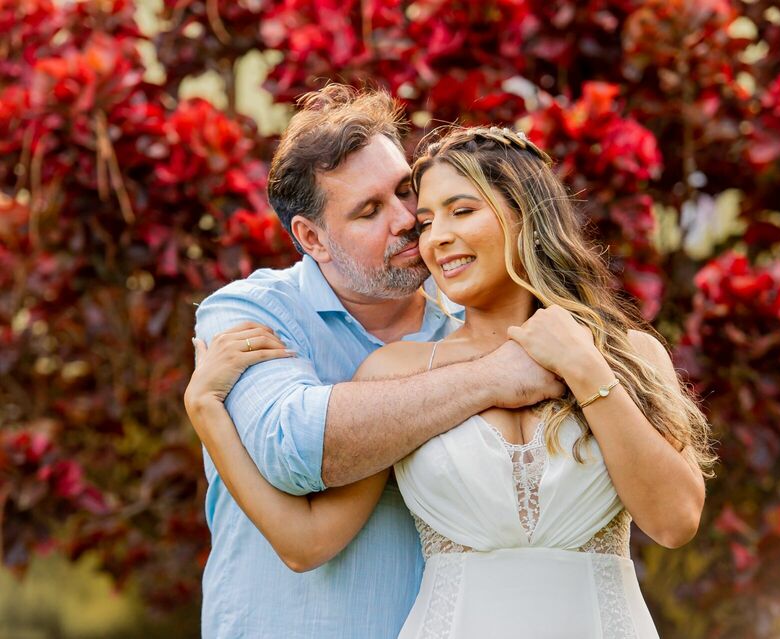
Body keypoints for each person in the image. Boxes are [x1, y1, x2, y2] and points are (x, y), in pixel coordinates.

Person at [188, 123, 717, 636]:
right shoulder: (395, 370)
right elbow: (307, 541)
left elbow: (674, 521)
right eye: (427, 220)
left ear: (526, 213)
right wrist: (207, 413)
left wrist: (584, 367)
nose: (432, 236)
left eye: (461, 211)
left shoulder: (630, 354)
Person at [187, 86, 565, 639]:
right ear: (312, 238)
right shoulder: (252, 313)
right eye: (370, 211)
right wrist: (492, 378)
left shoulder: (472, 318)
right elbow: (297, 450)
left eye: (405, 191)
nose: (408, 218)